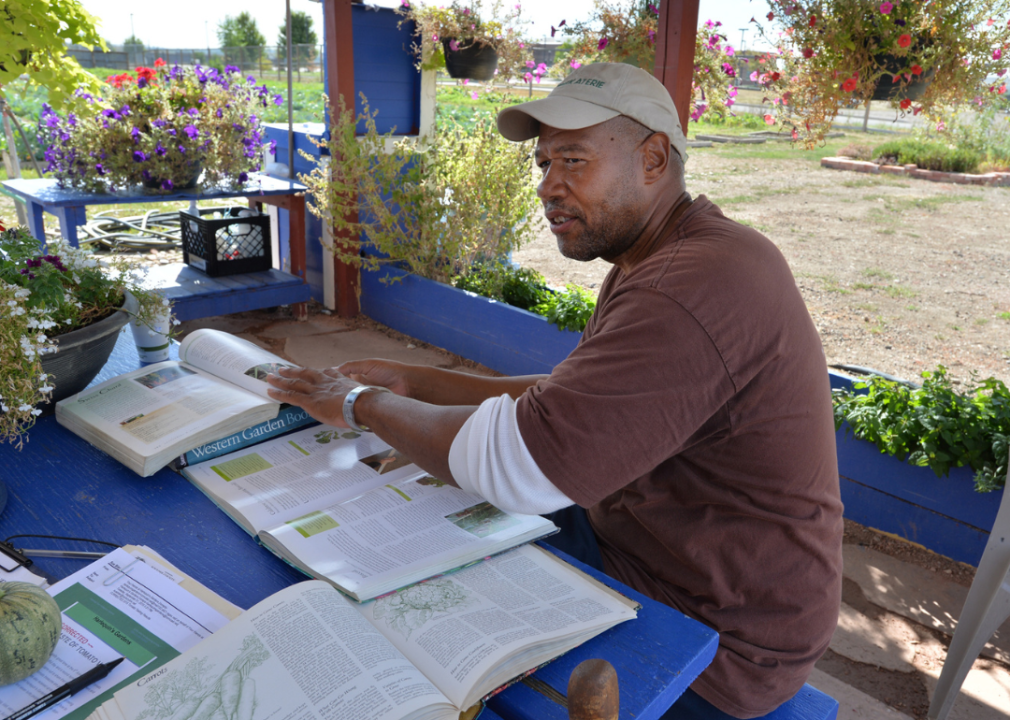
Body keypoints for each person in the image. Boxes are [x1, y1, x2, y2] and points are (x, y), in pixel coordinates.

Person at [265, 62, 843, 719]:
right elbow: (579, 400)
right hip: (650, 553)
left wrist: (355, 405)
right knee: (406, 523)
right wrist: (417, 382)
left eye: (574, 159)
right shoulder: (667, 255)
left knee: (380, 622)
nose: (549, 187)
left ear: (654, 158)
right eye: (544, 164)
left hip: (719, 634)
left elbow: (524, 467)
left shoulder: (691, 283)